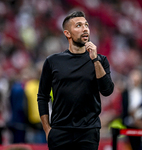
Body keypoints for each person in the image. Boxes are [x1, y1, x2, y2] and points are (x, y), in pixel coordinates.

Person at [37, 11, 114, 150]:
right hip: (60, 131)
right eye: (78, 25)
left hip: (88, 132)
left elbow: (107, 90)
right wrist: (48, 129)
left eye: (86, 25)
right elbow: (42, 96)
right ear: (67, 33)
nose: (85, 28)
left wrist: (95, 60)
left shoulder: (100, 60)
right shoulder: (52, 61)